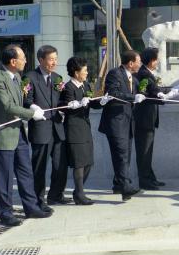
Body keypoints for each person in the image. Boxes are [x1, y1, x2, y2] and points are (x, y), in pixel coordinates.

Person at [0, 44, 51, 226]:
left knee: (25, 173)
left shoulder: (16, 76)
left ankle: (31, 208)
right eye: (22, 57)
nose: (25, 60)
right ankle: (5, 213)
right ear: (13, 61)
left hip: (19, 133)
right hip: (3, 135)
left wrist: (31, 106)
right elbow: (6, 106)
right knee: (4, 178)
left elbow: (19, 102)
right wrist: (32, 115)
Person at [23, 45, 70, 212]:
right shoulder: (29, 77)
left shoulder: (58, 78)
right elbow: (25, 100)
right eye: (51, 59)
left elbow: (63, 98)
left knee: (60, 164)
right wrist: (33, 106)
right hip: (40, 128)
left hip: (57, 127)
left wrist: (70, 103)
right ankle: (38, 200)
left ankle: (56, 194)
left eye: (56, 59)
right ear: (41, 60)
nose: (54, 62)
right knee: (40, 166)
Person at [98, 50, 146, 201]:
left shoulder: (134, 78)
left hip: (128, 122)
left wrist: (164, 93)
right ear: (131, 63)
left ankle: (118, 184)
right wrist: (133, 97)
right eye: (139, 61)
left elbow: (147, 91)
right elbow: (113, 93)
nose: (140, 64)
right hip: (116, 122)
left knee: (125, 155)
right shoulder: (115, 74)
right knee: (121, 155)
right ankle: (126, 188)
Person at [60, 57, 108, 205]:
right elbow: (66, 106)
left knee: (88, 162)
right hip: (74, 128)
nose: (87, 73)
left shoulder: (84, 85)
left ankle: (78, 192)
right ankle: (80, 194)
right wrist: (75, 104)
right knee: (79, 163)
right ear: (76, 72)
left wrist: (102, 102)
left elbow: (91, 104)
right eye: (84, 70)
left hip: (85, 127)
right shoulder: (68, 87)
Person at [134, 47, 177, 190]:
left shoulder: (148, 74)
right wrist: (161, 95)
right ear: (151, 60)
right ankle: (144, 180)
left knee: (148, 150)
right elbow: (145, 91)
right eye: (156, 59)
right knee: (144, 151)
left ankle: (150, 177)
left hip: (149, 120)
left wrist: (169, 91)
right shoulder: (144, 74)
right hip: (144, 120)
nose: (157, 62)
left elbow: (155, 89)